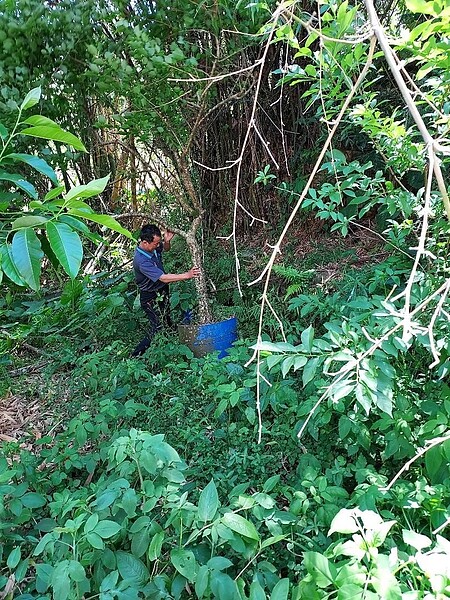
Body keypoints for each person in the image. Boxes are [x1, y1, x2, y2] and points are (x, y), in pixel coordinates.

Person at [131, 223, 200, 357]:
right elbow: (163, 278)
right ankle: (137, 355)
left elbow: (165, 249)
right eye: (156, 243)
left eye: (159, 242)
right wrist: (187, 275)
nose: (158, 245)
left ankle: (171, 347)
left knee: (167, 320)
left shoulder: (152, 248)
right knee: (157, 326)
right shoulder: (141, 261)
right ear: (145, 242)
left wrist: (167, 241)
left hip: (161, 291)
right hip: (150, 296)